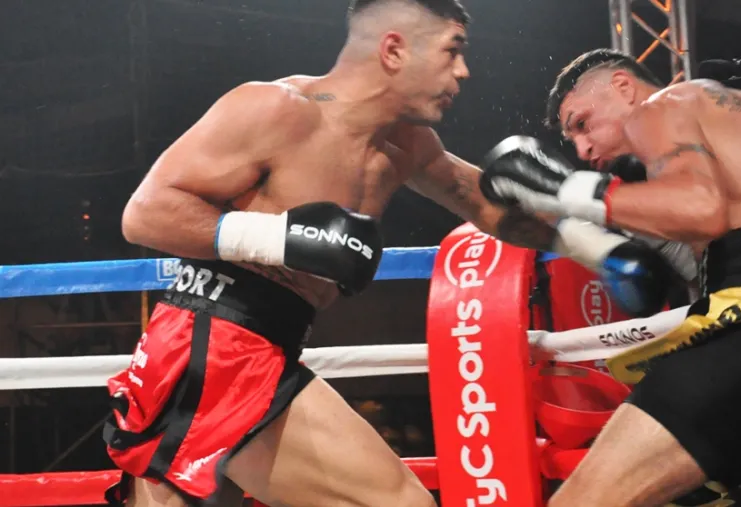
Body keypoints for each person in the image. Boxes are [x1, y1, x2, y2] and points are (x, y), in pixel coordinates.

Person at [103, 1, 683, 506]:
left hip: (262, 346)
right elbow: (145, 213)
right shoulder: (276, 108)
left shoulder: (408, 145)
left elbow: (489, 208)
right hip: (212, 341)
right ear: (394, 50)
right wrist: (282, 237)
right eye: (452, 50)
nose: (463, 71)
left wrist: (599, 244)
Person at [479, 48, 741, 506]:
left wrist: (566, 189)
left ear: (623, 86)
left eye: (582, 124)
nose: (583, 150)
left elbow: (701, 209)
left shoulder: (664, 106)